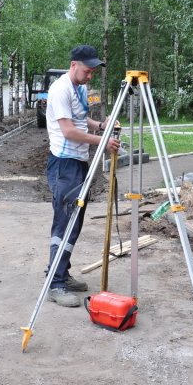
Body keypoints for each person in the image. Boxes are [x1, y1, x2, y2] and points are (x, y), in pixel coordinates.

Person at [45, 45, 120, 307]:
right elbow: (68, 131)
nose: (90, 77)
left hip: (78, 162)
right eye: (87, 71)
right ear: (74, 64)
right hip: (63, 165)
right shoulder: (60, 90)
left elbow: (80, 120)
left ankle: (62, 274)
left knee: (74, 223)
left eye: (92, 73)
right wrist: (103, 141)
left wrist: (101, 125)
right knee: (64, 223)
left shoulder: (80, 87)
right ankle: (55, 284)